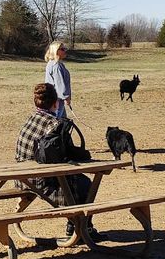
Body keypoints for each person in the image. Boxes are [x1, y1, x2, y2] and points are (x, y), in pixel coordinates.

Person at [15, 82, 102, 240]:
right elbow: (65, 155)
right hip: (43, 181)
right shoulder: (55, 124)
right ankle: (82, 227)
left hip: (22, 179)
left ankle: (76, 225)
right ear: (56, 103)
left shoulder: (30, 120)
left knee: (78, 182)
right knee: (84, 185)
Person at [44, 41, 71, 119]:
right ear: (56, 51)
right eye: (62, 49)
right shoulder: (56, 66)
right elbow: (59, 84)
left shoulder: (54, 64)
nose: (64, 51)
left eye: (65, 49)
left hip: (54, 99)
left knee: (62, 121)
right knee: (56, 122)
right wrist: (66, 97)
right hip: (57, 100)